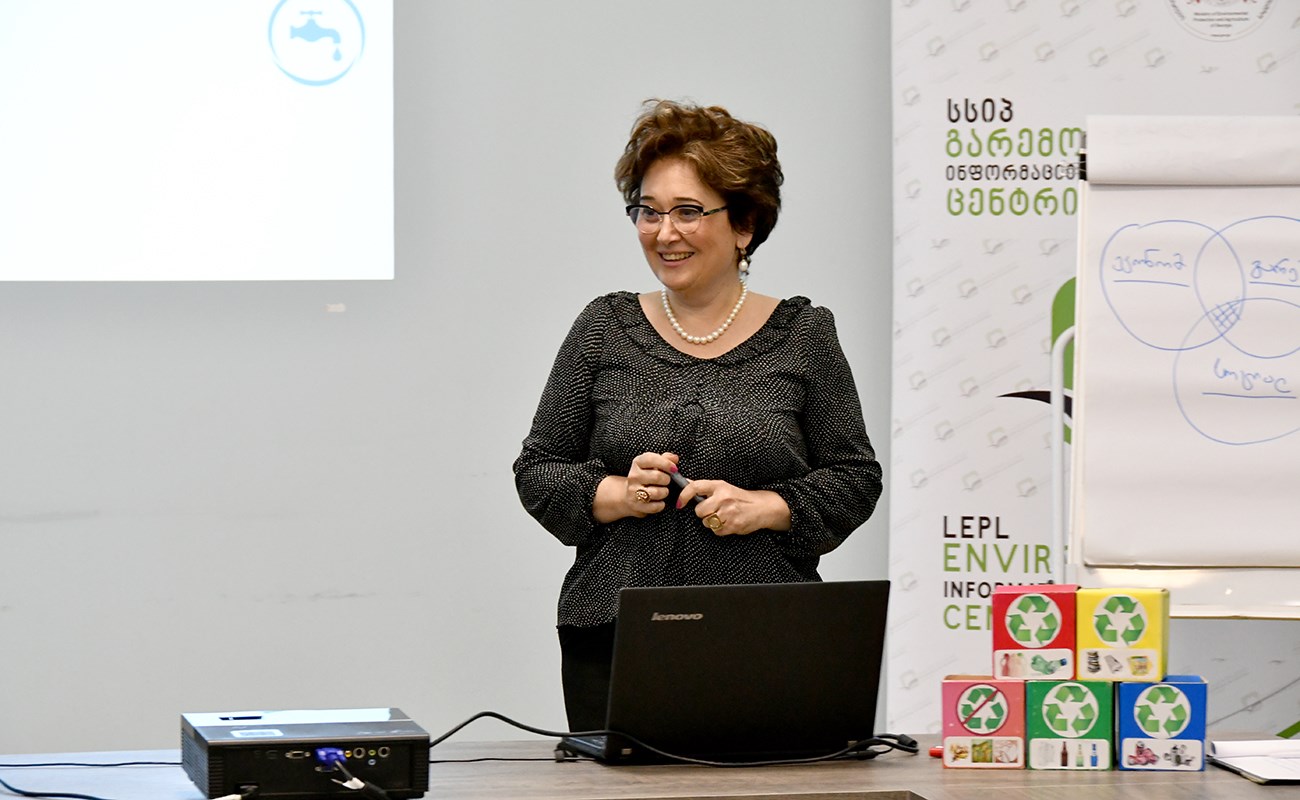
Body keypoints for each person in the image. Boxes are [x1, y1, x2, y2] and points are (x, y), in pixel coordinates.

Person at [513, 99, 882, 732]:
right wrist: (620, 494)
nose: (664, 233)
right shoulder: (603, 326)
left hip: (769, 634)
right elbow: (538, 470)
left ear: (744, 225)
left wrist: (765, 507)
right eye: (648, 212)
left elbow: (855, 478)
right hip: (615, 632)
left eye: (688, 211)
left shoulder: (805, 334)